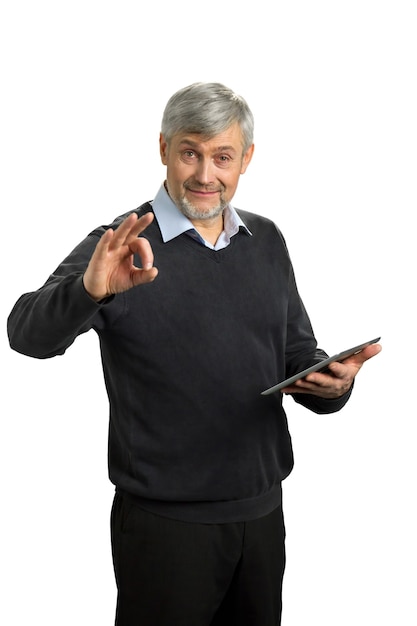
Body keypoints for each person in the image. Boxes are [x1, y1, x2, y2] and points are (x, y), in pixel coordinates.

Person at [7, 82, 381, 626]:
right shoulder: (120, 244)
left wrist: (334, 385)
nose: (206, 175)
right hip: (165, 530)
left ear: (246, 159)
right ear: (164, 150)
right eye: (190, 153)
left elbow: (296, 354)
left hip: (261, 518)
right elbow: (26, 334)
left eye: (222, 157)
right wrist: (89, 292)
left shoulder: (267, 240)